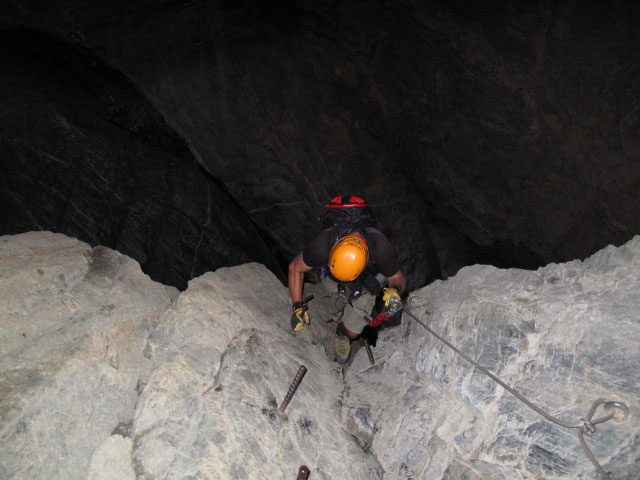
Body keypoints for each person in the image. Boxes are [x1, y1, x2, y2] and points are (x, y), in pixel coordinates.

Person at [288, 195, 407, 363]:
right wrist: (297, 307)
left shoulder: (379, 245)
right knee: (329, 295)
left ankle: (341, 333)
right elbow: (295, 268)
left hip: (367, 283)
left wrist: (393, 291)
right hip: (333, 279)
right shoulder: (324, 243)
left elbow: (397, 277)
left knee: (353, 332)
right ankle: (335, 302)